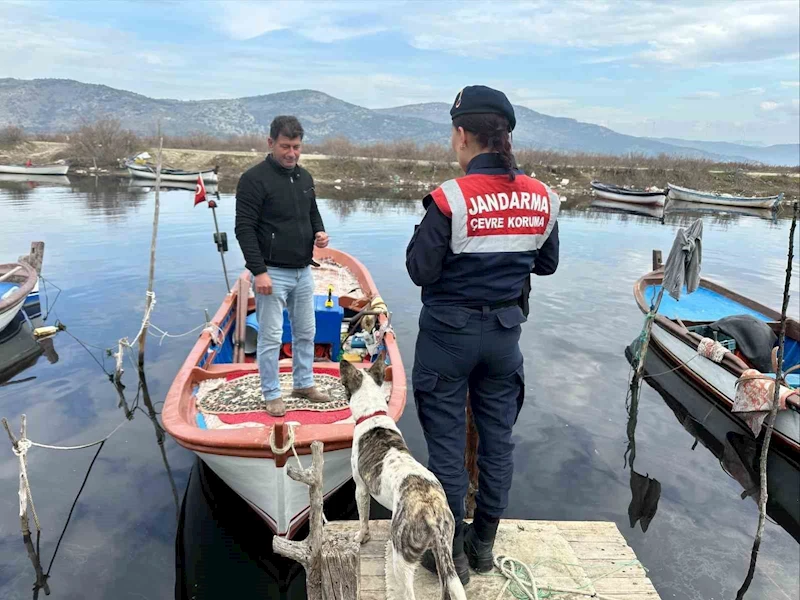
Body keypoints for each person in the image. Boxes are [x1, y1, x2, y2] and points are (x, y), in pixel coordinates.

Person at [406, 85, 560, 584]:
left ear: (461, 135)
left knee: (448, 452)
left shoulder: (450, 198)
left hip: (447, 341)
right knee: (498, 446)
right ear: (506, 136)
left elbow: (420, 270)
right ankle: (484, 546)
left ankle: (449, 555)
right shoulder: (543, 198)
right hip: (503, 340)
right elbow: (548, 263)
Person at [235, 115, 331, 417]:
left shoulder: (304, 178)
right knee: (271, 337)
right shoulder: (254, 179)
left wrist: (320, 231)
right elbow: (244, 229)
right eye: (285, 147)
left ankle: (303, 384)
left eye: (297, 147)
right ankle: (272, 393)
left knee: (306, 332)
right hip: (271, 273)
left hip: (303, 270)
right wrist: (258, 270)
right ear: (270, 143)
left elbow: (311, 211)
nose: (292, 153)